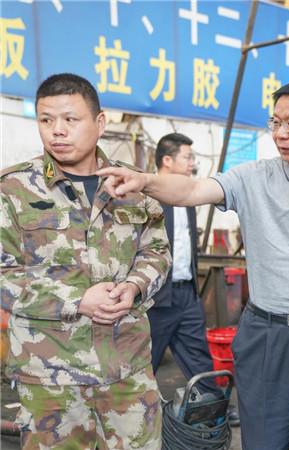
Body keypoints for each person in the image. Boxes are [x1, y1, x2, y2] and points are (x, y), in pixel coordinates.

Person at [97, 79, 289, 450]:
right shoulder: (253, 177)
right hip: (265, 334)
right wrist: (145, 181)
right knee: (263, 441)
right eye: (275, 122)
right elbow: (192, 190)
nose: (280, 133)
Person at [0, 73, 171, 449]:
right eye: (46, 120)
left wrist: (134, 285)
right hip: (50, 378)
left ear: (100, 122)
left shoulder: (131, 185)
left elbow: (157, 251)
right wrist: (77, 301)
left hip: (127, 370)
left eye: (70, 119)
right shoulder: (13, 189)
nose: (57, 131)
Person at [149, 132, 239, 425]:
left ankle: (214, 409)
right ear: (167, 160)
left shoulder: (188, 196)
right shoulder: (147, 196)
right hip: (156, 296)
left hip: (186, 293)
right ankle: (130, 415)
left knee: (198, 355)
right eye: (187, 157)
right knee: (143, 359)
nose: (192, 163)